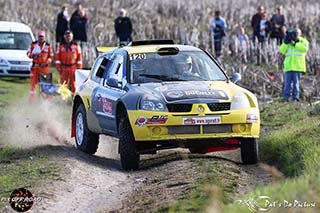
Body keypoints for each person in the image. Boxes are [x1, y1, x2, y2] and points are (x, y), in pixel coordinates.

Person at [279, 29, 309, 102]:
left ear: (300, 34)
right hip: (288, 66)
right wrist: (286, 42)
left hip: (297, 66)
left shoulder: (303, 41)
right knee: (287, 83)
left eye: (297, 33)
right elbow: (282, 50)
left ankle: (295, 97)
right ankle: (286, 98)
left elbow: (304, 49)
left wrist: (295, 44)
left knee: (296, 84)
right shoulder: (288, 41)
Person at [27, 31, 53, 101]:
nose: (41, 38)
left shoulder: (48, 46)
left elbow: (51, 57)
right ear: (38, 37)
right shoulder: (33, 44)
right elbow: (28, 53)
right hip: (35, 67)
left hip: (44, 68)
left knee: (46, 84)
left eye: (42, 37)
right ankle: (32, 101)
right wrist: (33, 55)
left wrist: (47, 63)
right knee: (33, 85)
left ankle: (48, 101)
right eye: (40, 37)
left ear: (44, 37)